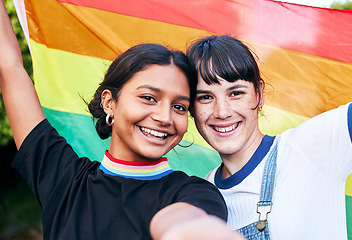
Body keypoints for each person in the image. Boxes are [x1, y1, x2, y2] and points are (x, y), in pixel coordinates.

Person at [0, 3, 245, 239]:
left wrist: (181, 230)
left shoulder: (195, 193)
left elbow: (186, 220)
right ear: (110, 103)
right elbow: (9, 67)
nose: (164, 117)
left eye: (179, 106)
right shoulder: (63, 178)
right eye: (149, 98)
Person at [186, 35, 352, 240]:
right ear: (191, 108)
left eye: (236, 93)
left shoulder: (309, 146)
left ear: (259, 94)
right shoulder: (201, 197)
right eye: (205, 97)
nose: (222, 112)